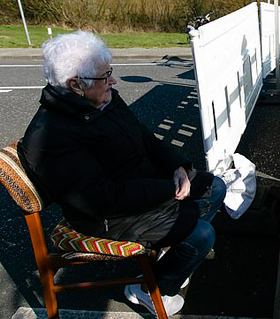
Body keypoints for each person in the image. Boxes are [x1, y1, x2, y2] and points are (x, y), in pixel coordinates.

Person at [19, 31, 226, 316]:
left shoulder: (102, 100)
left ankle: (170, 260)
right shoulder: (50, 137)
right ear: (76, 85)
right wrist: (168, 187)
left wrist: (177, 167)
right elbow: (102, 199)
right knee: (200, 236)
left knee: (215, 187)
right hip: (105, 216)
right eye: (105, 77)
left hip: (137, 188)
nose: (113, 81)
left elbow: (145, 138)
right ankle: (150, 291)